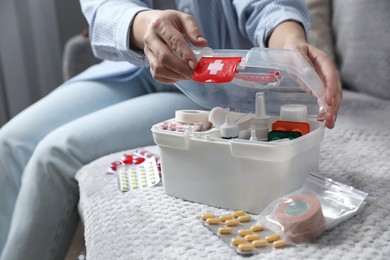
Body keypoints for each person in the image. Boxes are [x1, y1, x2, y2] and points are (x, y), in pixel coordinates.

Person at [0, 0, 342, 259]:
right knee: (11, 141)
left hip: (210, 86)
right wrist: (144, 24)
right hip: (129, 68)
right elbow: (102, 7)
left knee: (55, 153)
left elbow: (267, 6)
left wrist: (288, 47)